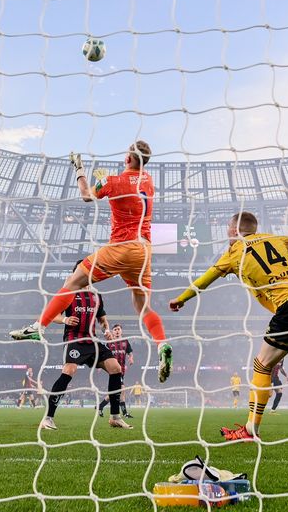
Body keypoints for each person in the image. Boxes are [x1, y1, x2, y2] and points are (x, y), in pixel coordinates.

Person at [170, 211, 288, 442]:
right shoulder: (274, 238)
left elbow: (204, 280)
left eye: (228, 229)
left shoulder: (233, 253)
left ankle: (250, 430)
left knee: (262, 365)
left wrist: (182, 299)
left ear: (233, 230)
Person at [10, 142, 173, 382]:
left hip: (120, 248)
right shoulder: (148, 181)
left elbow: (87, 195)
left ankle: (38, 327)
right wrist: (105, 181)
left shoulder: (113, 181)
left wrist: (80, 170)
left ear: (128, 158)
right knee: (143, 308)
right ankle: (162, 344)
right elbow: (128, 189)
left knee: (72, 282)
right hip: (144, 251)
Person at [40, 265, 131, 431]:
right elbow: (53, 314)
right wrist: (65, 320)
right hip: (74, 339)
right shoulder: (68, 292)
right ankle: (48, 418)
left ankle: (115, 417)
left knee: (116, 368)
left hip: (92, 340)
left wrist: (107, 330)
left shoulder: (96, 295)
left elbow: (102, 320)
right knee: (69, 371)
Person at [98, 324, 133, 418]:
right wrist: (100, 365)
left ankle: (100, 406)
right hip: (114, 370)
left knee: (115, 392)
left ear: (121, 331)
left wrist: (131, 358)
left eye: (118, 329)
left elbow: (130, 352)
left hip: (122, 370)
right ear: (112, 332)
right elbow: (103, 354)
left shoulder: (125, 342)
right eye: (115, 329)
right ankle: (125, 413)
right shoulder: (109, 343)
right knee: (122, 389)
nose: (117, 331)